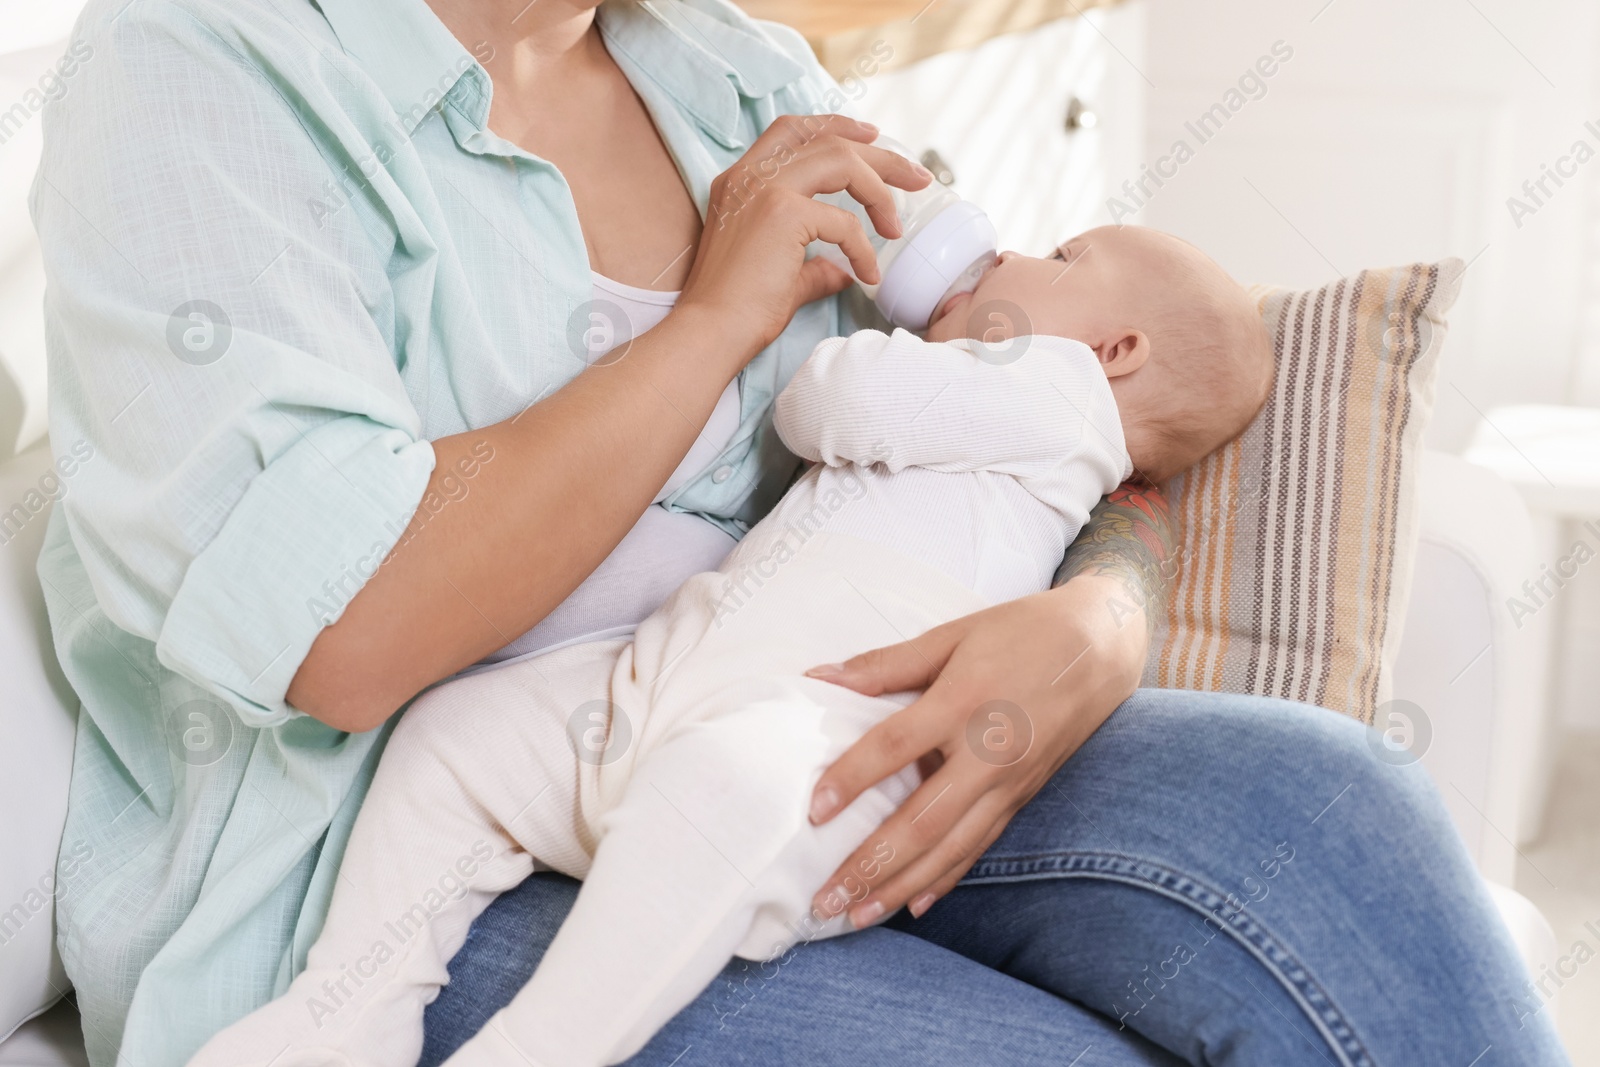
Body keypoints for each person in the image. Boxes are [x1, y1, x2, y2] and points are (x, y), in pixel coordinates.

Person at [31, 0, 1566, 1065]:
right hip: (430, 852)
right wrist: (709, 322)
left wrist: (1100, 618)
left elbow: (1045, 383)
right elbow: (345, 634)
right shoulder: (205, 70)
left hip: (815, 716)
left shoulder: (729, 75)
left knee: (1339, 811)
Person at [187, 225, 1278, 1067]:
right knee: (459, 730)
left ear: (1113, 351)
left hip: (810, 741)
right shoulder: (1036, 412)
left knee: (708, 792)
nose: (1017, 248)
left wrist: (886, 337)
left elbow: (826, 398)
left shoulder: (1053, 385)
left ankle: (493, 1039)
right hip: (674, 678)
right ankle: (346, 1014)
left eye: (1064, 253)